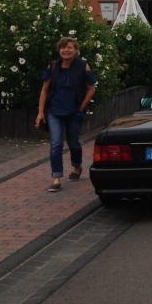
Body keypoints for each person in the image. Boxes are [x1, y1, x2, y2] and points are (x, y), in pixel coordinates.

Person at [36, 37, 97, 193]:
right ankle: (56, 178)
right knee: (56, 144)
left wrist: (81, 107)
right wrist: (41, 112)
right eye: (63, 47)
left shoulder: (83, 66)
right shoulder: (53, 66)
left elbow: (91, 88)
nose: (66, 50)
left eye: (70, 47)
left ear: (76, 50)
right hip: (54, 111)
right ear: (59, 50)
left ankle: (77, 166)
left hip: (74, 112)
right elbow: (44, 90)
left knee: (74, 143)